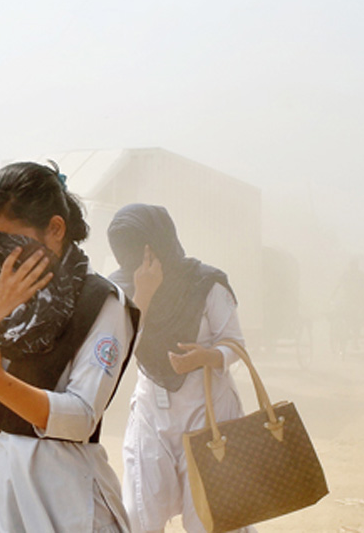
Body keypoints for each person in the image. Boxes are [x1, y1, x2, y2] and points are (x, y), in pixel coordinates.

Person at [0, 161, 142, 533]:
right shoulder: (0, 296)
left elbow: (81, 418)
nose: (0, 260)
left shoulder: (103, 303)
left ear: (54, 230)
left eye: (10, 244)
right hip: (2, 489)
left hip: (68, 497)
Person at [106, 203, 256, 533]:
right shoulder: (120, 289)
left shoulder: (206, 283)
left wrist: (205, 357)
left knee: (210, 517)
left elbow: (234, 344)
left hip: (207, 409)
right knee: (141, 514)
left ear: (157, 245)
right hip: (151, 410)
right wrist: (143, 294)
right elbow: (119, 347)